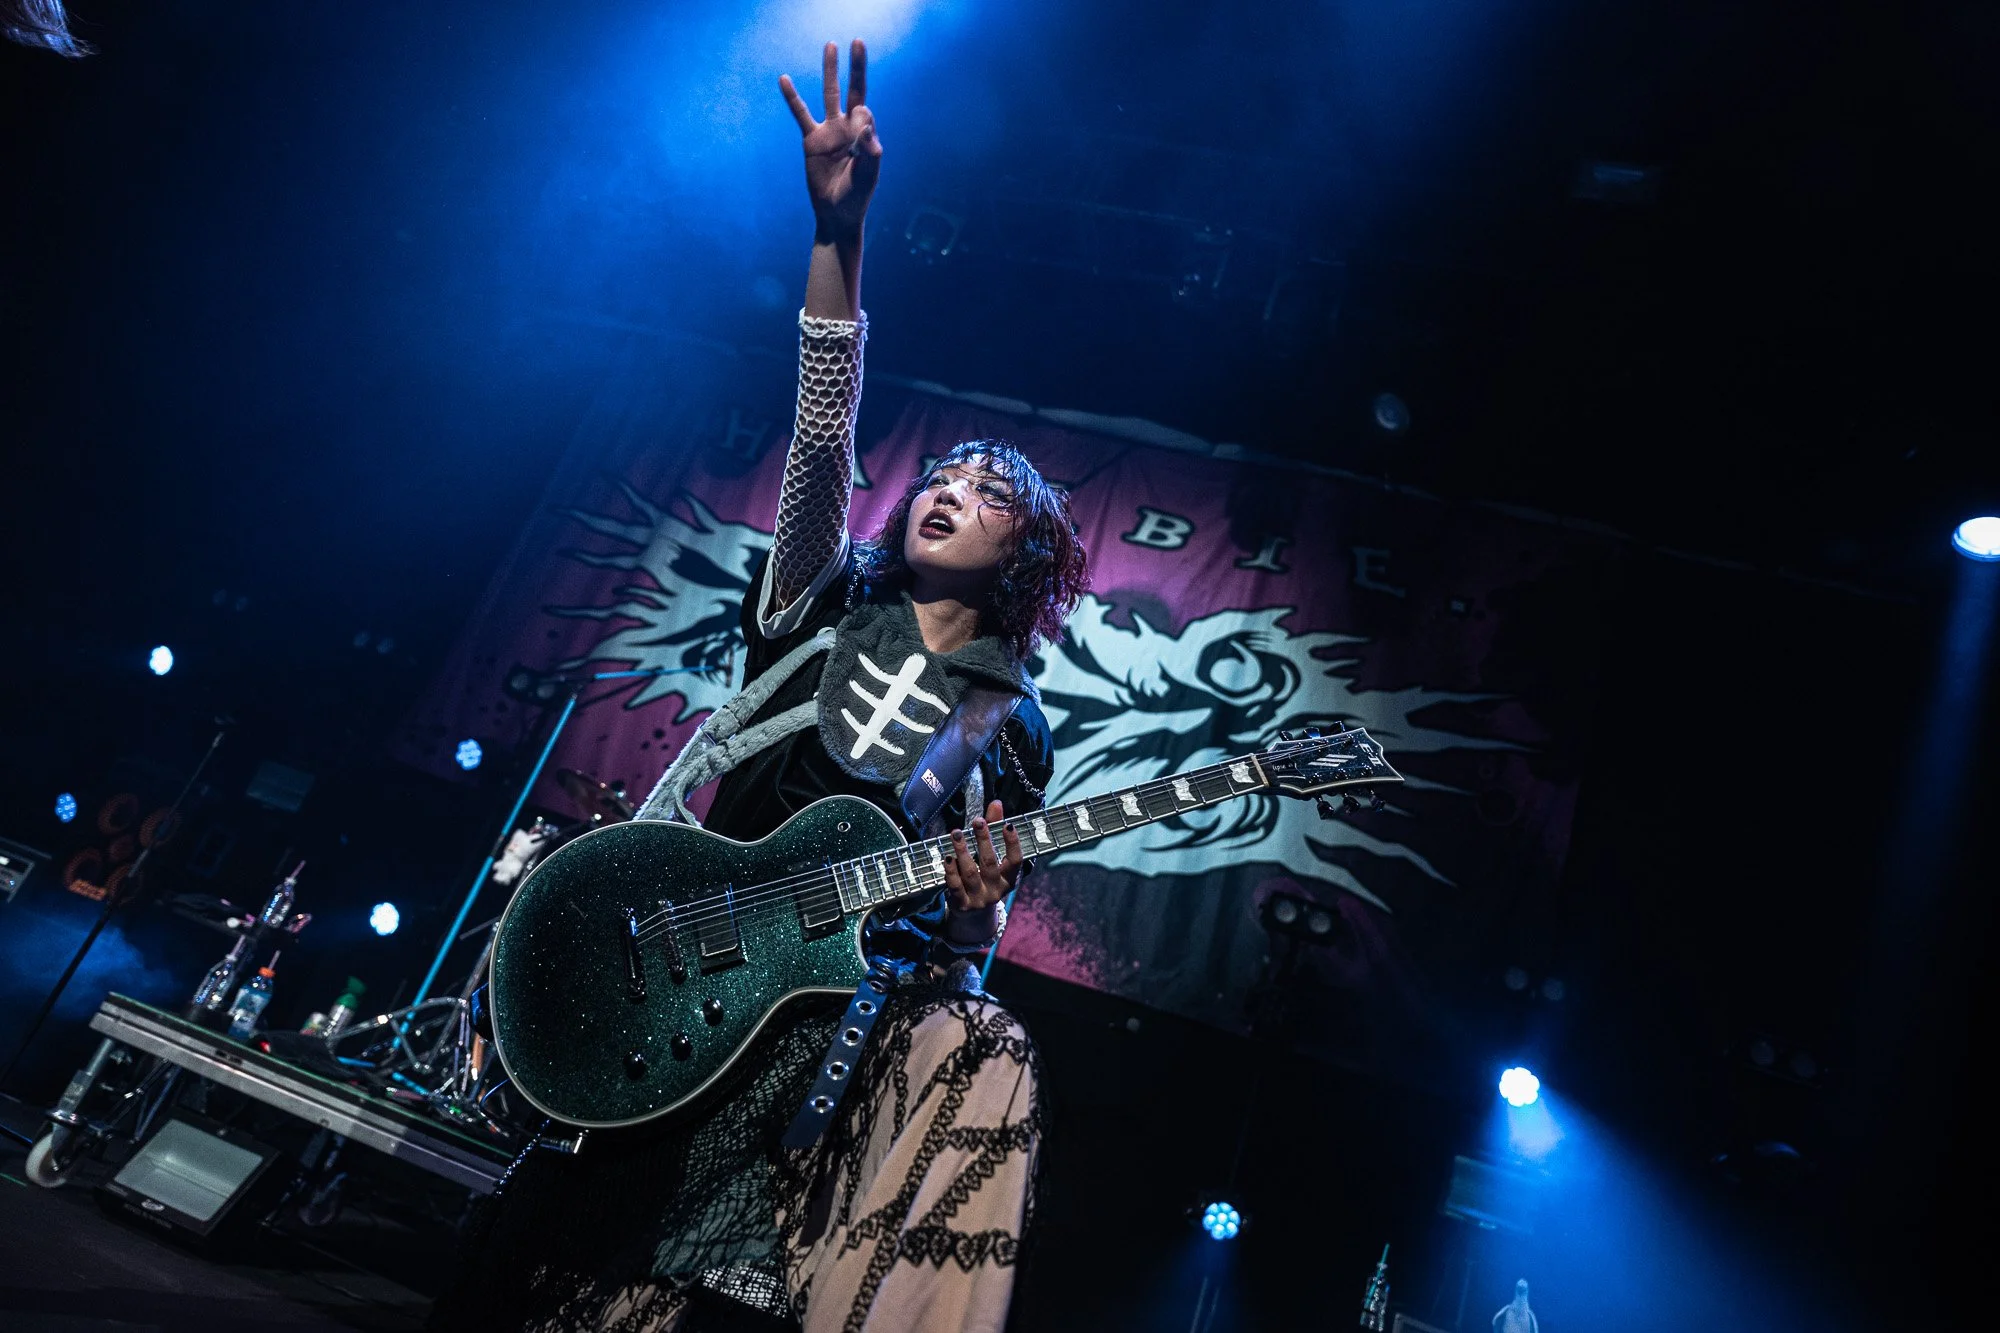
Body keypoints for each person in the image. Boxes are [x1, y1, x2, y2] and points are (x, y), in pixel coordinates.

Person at [432, 39, 1089, 1333]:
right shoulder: (820, 599)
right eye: (944, 475)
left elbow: (969, 941)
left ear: (1029, 554)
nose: (952, 490)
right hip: (666, 972)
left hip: (809, 1033)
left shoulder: (1010, 720)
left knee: (671, 1297)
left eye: (991, 494)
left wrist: (973, 922)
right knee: (531, 1269)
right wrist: (839, 236)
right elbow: (824, 433)